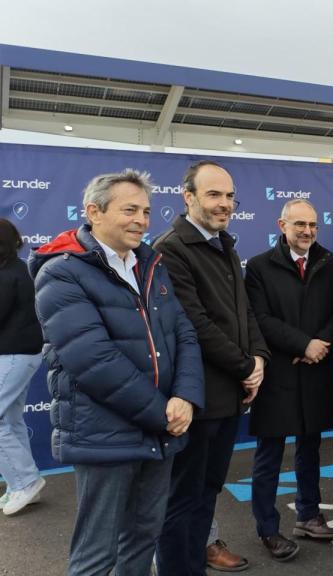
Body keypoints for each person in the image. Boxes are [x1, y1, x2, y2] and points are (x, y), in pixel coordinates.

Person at [29, 169, 204, 575]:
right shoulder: (61, 272)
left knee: (143, 537)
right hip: (105, 435)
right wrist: (165, 413)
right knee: (96, 553)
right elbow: (93, 361)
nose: (142, 220)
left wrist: (186, 397)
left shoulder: (151, 265)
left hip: (160, 430)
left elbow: (185, 334)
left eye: (146, 210)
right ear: (94, 211)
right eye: (130, 210)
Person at [155, 160, 270, 574]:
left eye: (229, 196)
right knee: (182, 500)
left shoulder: (225, 243)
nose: (224, 204)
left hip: (228, 395)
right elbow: (194, 322)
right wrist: (244, 366)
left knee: (206, 493)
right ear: (189, 198)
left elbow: (244, 313)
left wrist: (258, 360)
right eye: (213, 195)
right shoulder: (172, 248)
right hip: (198, 397)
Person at [244, 199, 333, 561]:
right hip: (278, 373)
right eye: (299, 224)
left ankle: (308, 514)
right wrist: (304, 343)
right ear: (282, 225)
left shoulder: (329, 264)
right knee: (269, 455)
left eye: (313, 225)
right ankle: (268, 529)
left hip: (315, 372)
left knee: (310, 449)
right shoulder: (258, 267)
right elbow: (260, 319)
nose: (307, 231)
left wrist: (320, 346)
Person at [0, 218, 45, 516]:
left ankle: (24, 482)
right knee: (11, 419)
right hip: (21, 353)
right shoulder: (15, 270)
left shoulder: (8, 275)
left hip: (15, 353)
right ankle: (24, 482)